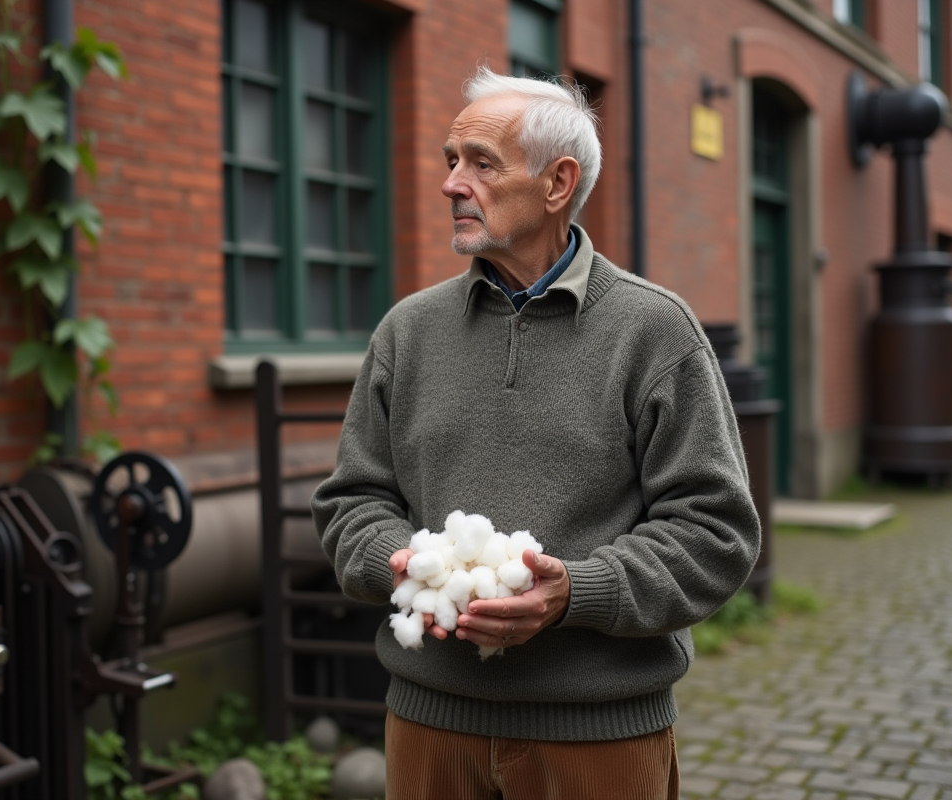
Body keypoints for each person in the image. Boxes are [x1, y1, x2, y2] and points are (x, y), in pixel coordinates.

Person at [311, 66, 761, 800]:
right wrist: (403, 563)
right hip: (429, 726)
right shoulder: (407, 331)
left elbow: (715, 533)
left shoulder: (653, 331)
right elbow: (350, 501)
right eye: (451, 161)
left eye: (481, 163)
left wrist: (574, 592)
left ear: (558, 184)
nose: (452, 183)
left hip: (599, 736)